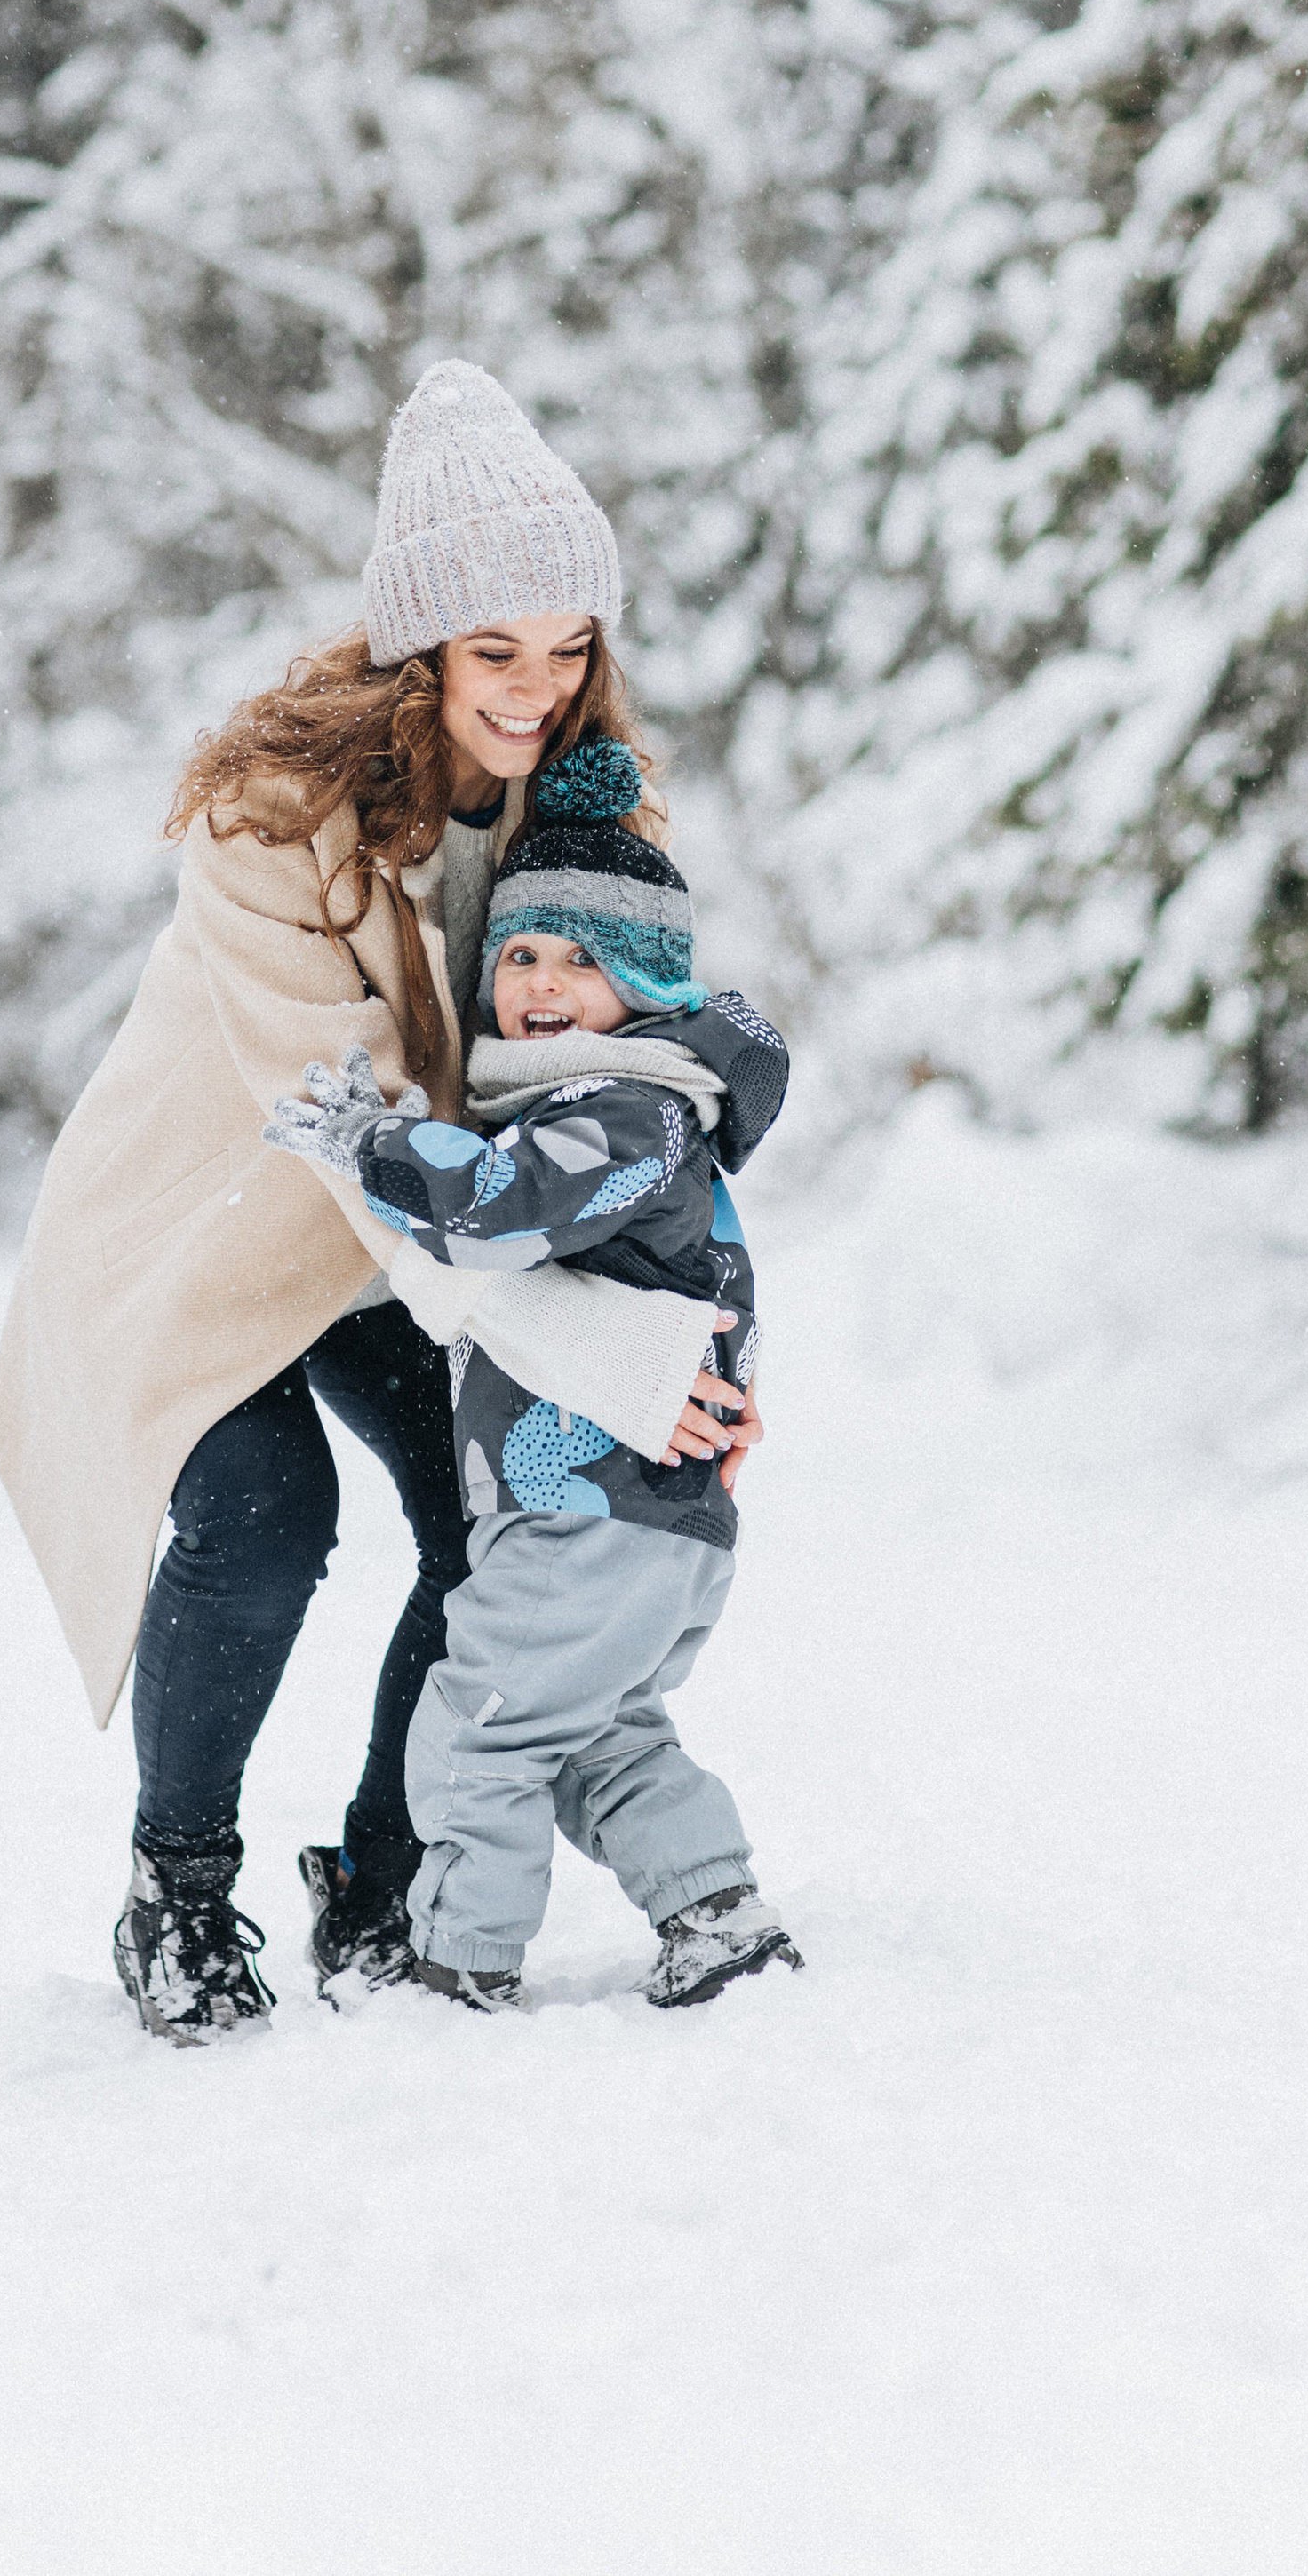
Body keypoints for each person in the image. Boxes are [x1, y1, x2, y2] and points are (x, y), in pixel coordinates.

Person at [0, 362, 761, 2045]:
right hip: (222, 1230)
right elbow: (366, 1138)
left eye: (569, 647)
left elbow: (631, 1066)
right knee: (265, 1528)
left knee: (488, 1524)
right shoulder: (280, 824)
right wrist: (606, 1359)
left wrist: (693, 1328)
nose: (539, 690)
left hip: (429, 1236)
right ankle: (178, 1895)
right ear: (419, 649)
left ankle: (387, 1881)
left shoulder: (585, 801)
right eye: (496, 652)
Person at [266, 733, 803, 2011]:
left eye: (584, 961)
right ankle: (715, 1910)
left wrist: (378, 1146)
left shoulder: (623, 1117)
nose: (544, 987)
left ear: (650, 985)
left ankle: (455, 1963)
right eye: (520, 956)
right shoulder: (649, 1114)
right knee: (592, 1737)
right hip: (645, 1520)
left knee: (478, 1729)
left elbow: (495, 1211)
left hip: (590, 1520)